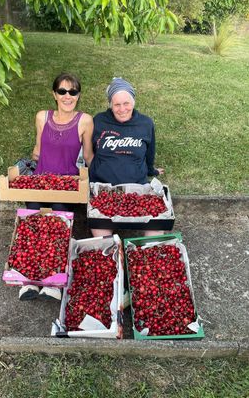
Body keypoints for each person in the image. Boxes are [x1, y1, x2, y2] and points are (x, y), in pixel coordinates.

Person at [20, 72, 94, 301]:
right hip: (41, 181)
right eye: (62, 91)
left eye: (72, 92)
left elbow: (89, 156)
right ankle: (29, 279)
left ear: (78, 95)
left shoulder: (85, 121)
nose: (67, 96)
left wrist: (96, 180)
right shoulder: (42, 117)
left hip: (67, 184)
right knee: (32, 217)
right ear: (54, 94)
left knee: (59, 217)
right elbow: (37, 150)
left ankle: (54, 279)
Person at [89, 77, 164, 237]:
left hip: (137, 191)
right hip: (104, 191)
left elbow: (150, 152)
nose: (122, 109)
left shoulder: (145, 124)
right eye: (117, 104)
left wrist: (152, 170)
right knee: (104, 241)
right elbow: (89, 151)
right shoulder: (99, 121)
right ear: (110, 104)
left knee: (156, 232)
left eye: (126, 103)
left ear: (134, 102)